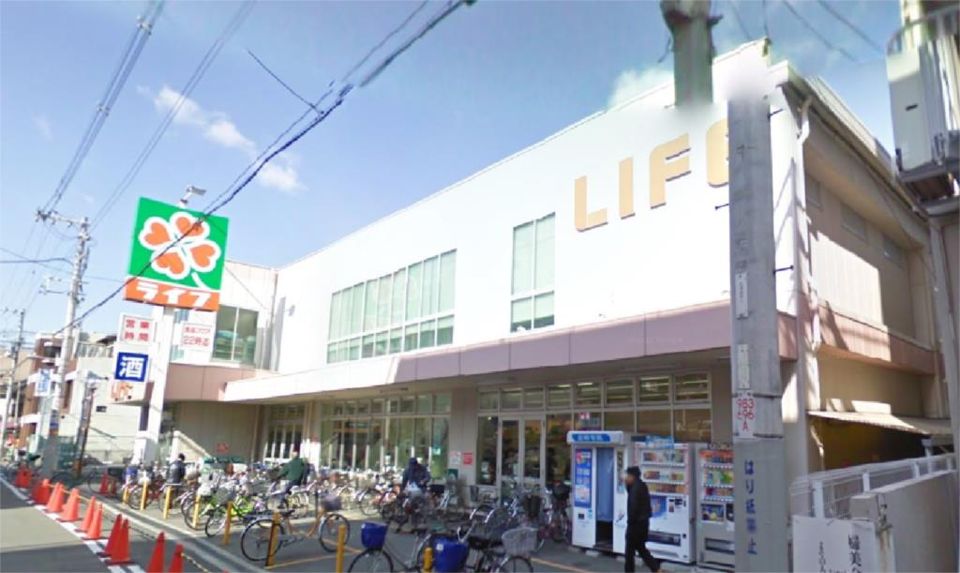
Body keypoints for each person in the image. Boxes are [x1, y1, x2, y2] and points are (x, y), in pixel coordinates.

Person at [624, 466, 662, 573]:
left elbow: (633, 507)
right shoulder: (641, 485)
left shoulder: (635, 489)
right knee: (641, 548)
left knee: (629, 552)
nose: (626, 478)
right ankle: (656, 569)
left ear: (632, 476)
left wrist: (630, 522)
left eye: (628, 475)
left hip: (635, 525)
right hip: (644, 523)